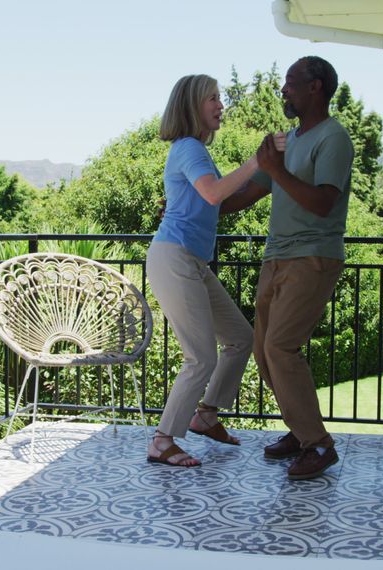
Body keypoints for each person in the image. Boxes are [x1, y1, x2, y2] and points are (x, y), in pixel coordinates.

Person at [221, 56, 354, 480]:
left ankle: (319, 445)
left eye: (291, 83)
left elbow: (323, 202)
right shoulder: (287, 140)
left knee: (280, 347)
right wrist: (192, 209)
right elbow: (245, 195)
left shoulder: (333, 138)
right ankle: (301, 432)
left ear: (315, 87)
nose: (284, 90)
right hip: (276, 256)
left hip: (313, 256)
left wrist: (276, 168)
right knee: (263, 350)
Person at [145, 74, 258, 467]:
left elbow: (220, 198)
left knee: (242, 338)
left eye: (219, 97)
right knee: (200, 357)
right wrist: (258, 160)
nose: (220, 105)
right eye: (212, 98)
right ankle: (162, 440)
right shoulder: (189, 147)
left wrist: (269, 176)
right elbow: (214, 192)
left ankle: (206, 415)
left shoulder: (195, 151)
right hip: (173, 258)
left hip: (191, 260)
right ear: (193, 105)